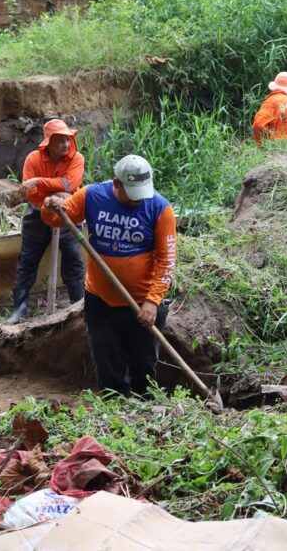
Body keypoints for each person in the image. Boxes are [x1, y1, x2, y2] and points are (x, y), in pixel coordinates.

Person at [43, 154, 177, 397]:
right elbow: (58, 218)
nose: (138, 201)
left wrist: (153, 300)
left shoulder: (160, 208)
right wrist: (50, 207)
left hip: (141, 303)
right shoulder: (92, 196)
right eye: (132, 193)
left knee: (144, 366)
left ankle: (145, 412)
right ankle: (115, 416)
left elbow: (166, 261)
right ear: (117, 183)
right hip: (100, 300)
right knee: (108, 366)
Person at [7, 119, 86, 325]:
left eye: (68, 140)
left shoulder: (76, 159)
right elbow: (29, 193)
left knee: (74, 259)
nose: (66, 145)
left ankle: (79, 306)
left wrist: (39, 182)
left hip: (67, 212)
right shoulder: (33, 159)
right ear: (48, 142)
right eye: (60, 141)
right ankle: (20, 309)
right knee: (27, 260)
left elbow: (69, 184)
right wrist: (54, 193)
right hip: (37, 214)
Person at [252, 71, 287, 144]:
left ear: (275, 87)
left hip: (276, 150)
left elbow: (258, 125)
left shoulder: (272, 101)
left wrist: (263, 145)